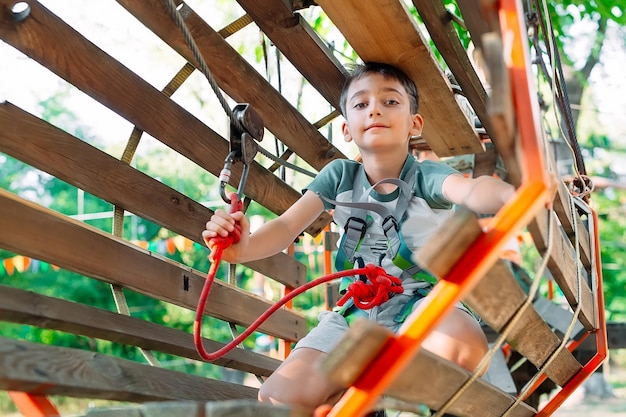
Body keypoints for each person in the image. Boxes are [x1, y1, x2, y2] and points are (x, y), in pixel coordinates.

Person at [202, 62, 516, 413]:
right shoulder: (339, 176)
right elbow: (287, 226)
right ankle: (364, 397)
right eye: (361, 104)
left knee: (462, 345)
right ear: (347, 128)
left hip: (423, 304)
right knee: (278, 397)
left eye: (391, 102)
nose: (375, 109)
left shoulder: (426, 176)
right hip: (356, 313)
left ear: (415, 124)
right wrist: (243, 248)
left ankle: (369, 397)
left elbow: (471, 190)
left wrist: (507, 196)